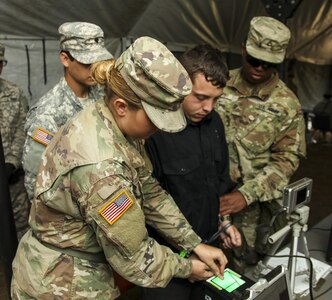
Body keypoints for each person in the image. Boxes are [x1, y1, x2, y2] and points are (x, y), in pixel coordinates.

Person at [11, 36, 227, 299]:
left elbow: (149, 191)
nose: (160, 128)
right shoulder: (103, 169)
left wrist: (193, 243)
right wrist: (187, 267)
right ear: (122, 106)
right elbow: (135, 259)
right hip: (63, 284)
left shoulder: (110, 121)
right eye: (156, 119)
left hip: (75, 269)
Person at [143, 44, 242, 300]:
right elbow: (148, 205)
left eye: (215, 99)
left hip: (210, 249)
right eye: (200, 97)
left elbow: (219, 183)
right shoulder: (155, 132)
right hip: (169, 262)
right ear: (181, 86)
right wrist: (185, 260)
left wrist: (225, 223)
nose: (208, 107)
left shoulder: (214, 124)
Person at [215, 16, 307, 272]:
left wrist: (246, 195)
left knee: (244, 268)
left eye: (268, 64)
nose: (259, 68)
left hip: (253, 210)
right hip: (210, 196)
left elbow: (287, 161)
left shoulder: (286, 104)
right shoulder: (218, 85)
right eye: (254, 60)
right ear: (243, 48)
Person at [22, 21, 114, 202]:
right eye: (87, 61)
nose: (94, 68)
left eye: (98, 60)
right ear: (65, 59)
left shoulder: (103, 95)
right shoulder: (47, 113)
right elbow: (37, 184)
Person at [0, 43, 30, 240]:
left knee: (19, 234)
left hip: (12, 183)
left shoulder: (14, 94)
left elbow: (23, 129)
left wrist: (11, 163)